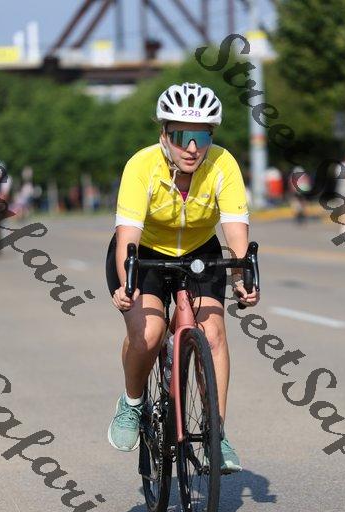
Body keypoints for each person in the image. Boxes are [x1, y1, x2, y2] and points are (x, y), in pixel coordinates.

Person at [105, 82, 260, 473]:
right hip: (144, 254)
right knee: (150, 332)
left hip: (199, 253)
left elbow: (235, 230)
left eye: (202, 137)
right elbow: (128, 236)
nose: (192, 147)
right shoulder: (141, 166)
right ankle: (132, 402)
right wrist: (127, 284)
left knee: (214, 333)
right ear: (164, 134)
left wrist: (242, 276)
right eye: (181, 136)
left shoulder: (223, 164)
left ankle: (216, 434)